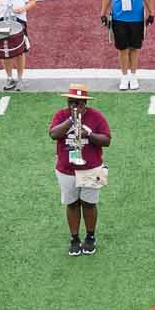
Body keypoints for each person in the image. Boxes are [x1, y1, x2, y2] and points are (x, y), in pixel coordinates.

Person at [50, 83, 111, 255]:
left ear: (85, 103)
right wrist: (71, 120)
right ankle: (75, 238)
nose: (74, 106)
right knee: (72, 204)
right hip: (66, 169)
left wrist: (89, 135)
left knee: (89, 204)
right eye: (71, 102)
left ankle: (90, 236)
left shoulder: (96, 117)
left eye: (78, 103)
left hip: (91, 168)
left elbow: (107, 140)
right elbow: (54, 134)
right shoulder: (61, 115)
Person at [101, 0, 152, 92]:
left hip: (136, 17)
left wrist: (151, 12)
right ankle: (124, 76)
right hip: (118, 16)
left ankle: (133, 75)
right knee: (122, 48)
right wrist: (103, 13)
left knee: (134, 48)